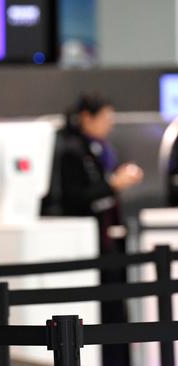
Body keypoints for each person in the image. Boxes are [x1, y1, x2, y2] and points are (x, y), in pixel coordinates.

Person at [46, 93, 143, 366]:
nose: (109, 125)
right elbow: (76, 197)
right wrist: (113, 185)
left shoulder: (101, 148)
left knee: (116, 312)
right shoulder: (71, 150)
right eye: (106, 119)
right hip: (90, 245)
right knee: (104, 312)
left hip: (110, 241)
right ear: (88, 118)